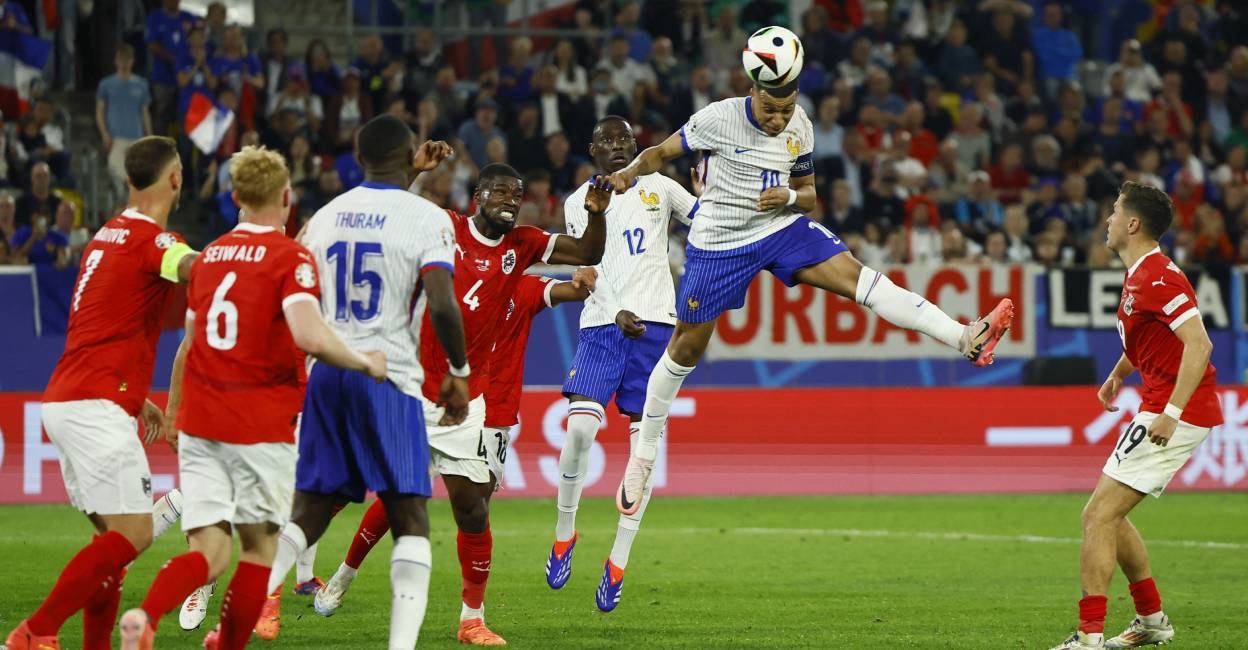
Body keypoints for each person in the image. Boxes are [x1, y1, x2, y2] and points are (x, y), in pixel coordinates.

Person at [601, 38, 1014, 517]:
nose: (780, 119)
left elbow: (809, 193)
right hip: (719, 242)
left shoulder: (800, 125)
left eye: (787, 108)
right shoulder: (717, 118)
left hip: (779, 228)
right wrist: (630, 172)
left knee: (859, 278)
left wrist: (789, 199)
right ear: (753, 91)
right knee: (685, 349)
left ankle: (964, 337)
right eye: (771, 109)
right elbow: (660, 152)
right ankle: (644, 454)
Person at [308, 162, 612, 645]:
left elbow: (585, 255)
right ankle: (330, 575)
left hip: (473, 402)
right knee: (379, 493)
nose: (510, 202)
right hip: (412, 388)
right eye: (500, 193)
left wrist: (596, 215)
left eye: (517, 195)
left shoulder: (523, 251)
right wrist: (412, 171)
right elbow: (392, 212)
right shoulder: (444, 227)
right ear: (477, 197)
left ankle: (472, 618)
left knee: (472, 509)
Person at [116, 146, 386, 649]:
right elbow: (309, 334)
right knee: (260, 551)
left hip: (203, 420)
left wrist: (174, 411)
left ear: (237, 197)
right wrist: (364, 361)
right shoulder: (291, 258)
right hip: (260, 422)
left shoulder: (208, 257)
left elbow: (189, 345)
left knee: (209, 550)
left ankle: (147, 615)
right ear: (286, 198)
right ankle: (228, 638)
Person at [249, 116, 469, 650]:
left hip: (327, 374)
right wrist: (459, 372)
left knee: (310, 509)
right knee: (409, 515)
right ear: (409, 154)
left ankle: (246, 606)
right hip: (386, 374)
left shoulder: (322, 219)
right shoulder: (428, 217)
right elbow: (441, 301)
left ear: (358, 156)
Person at [310, 272, 593, 627]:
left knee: (474, 509)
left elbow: (572, 290)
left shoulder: (524, 285)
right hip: (446, 404)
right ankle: (344, 574)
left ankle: (472, 617)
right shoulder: (452, 277)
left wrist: (587, 276)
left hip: (495, 414)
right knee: (401, 491)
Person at [4, 136, 198, 650]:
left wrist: (137, 397)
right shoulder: (154, 240)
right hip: (94, 406)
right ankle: (35, 632)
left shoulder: (104, 237)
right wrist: (247, 257)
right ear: (174, 178)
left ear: (129, 179)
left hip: (68, 397)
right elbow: (192, 268)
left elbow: (101, 322)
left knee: (112, 547)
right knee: (134, 533)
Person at [1048, 181, 1222, 650]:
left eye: (1114, 211)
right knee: (1112, 516)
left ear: (1132, 224)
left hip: (1175, 410)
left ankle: (1089, 634)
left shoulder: (1160, 277)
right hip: (1161, 403)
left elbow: (1199, 344)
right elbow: (1151, 338)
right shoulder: (1141, 275)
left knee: (1097, 516)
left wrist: (1171, 412)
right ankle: (1152, 620)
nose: (1107, 219)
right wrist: (1118, 374)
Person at [548, 115, 697, 612]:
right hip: (601, 323)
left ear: (635, 146)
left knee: (644, 453)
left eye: (624, 139)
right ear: (592, 149)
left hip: (657, 327)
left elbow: (705, 222)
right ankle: (564, 533)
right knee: (579, 432)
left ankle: (617, 562)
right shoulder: (579, 201)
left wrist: (708, 198)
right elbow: (587, 268)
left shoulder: (661, 186)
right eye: (606, 140)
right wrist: (615, 311)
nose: (616, 145)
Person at [97, 45, 152, 198]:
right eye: (121, 58)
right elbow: (100, 112)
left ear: (132, 60)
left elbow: (145, 113)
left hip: (136, 137)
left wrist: (149, 136)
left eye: (127, 58)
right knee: (115, 168)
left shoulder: (141, 84)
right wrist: (104, 134)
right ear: (116, 60)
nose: (124, 62)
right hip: (116, 137)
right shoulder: (106, 84)